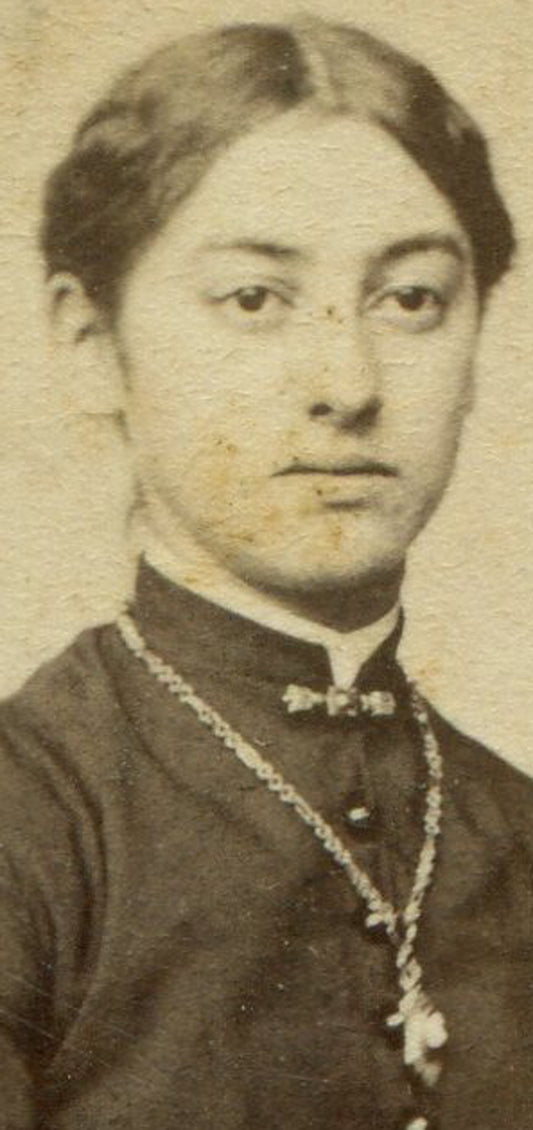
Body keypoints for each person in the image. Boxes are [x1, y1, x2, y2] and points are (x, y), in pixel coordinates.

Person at [1, 15, 531, 1130]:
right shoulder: (31, 824)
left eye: (410, 299)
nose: (345, 381)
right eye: (254, 299)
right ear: (91, 341)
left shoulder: (513, 829)